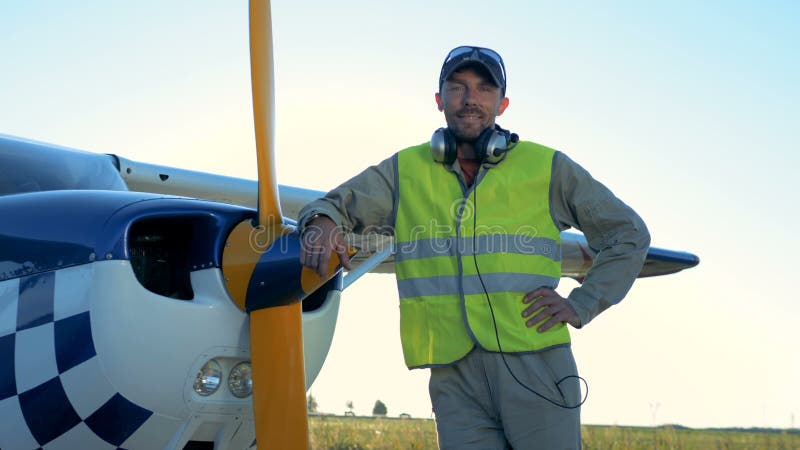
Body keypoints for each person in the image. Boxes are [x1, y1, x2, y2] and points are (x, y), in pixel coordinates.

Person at [298, 46, 650, 450]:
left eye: (484, 89)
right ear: (439, 100)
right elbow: (330, 206)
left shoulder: (547, 167)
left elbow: (629, 233)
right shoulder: (404, 170)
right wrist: (321, 224)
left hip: (538, 364)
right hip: (453, 378)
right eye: (457, 87)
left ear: (502, 103)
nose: (470, 99)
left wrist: (583, 302)